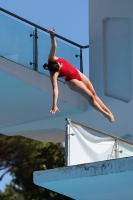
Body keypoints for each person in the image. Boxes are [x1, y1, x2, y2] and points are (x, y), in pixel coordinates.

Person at [43, 29, 115, 122]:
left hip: (77, 73)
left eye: (60, 64)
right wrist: (54, 105)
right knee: (91, 97)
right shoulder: (53, 75)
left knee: (94, 94)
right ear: (56, 71)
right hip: (72, 81)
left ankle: (109, 112)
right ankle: (105, 114)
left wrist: (52, 35)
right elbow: (55, 90)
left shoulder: (51, 58)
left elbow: (54, 45)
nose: (61, 65)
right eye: (60, 68)